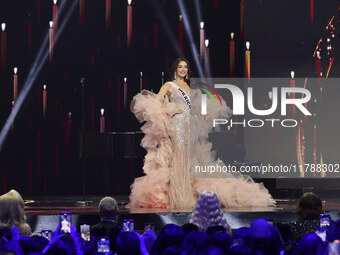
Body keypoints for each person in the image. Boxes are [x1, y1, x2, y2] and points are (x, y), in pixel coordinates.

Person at [128, 57, 275, 208]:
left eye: (185, 67)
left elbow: (197, 107)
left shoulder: (190, 87)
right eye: (180, 67)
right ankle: (180, 197)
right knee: (180, 157)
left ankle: (191, 194)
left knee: (191, 157)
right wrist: (169, 109)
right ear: (175, 69)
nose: (183, 69)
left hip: (192, 125)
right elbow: (156, 103)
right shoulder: (169, 85)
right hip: (177, 124)